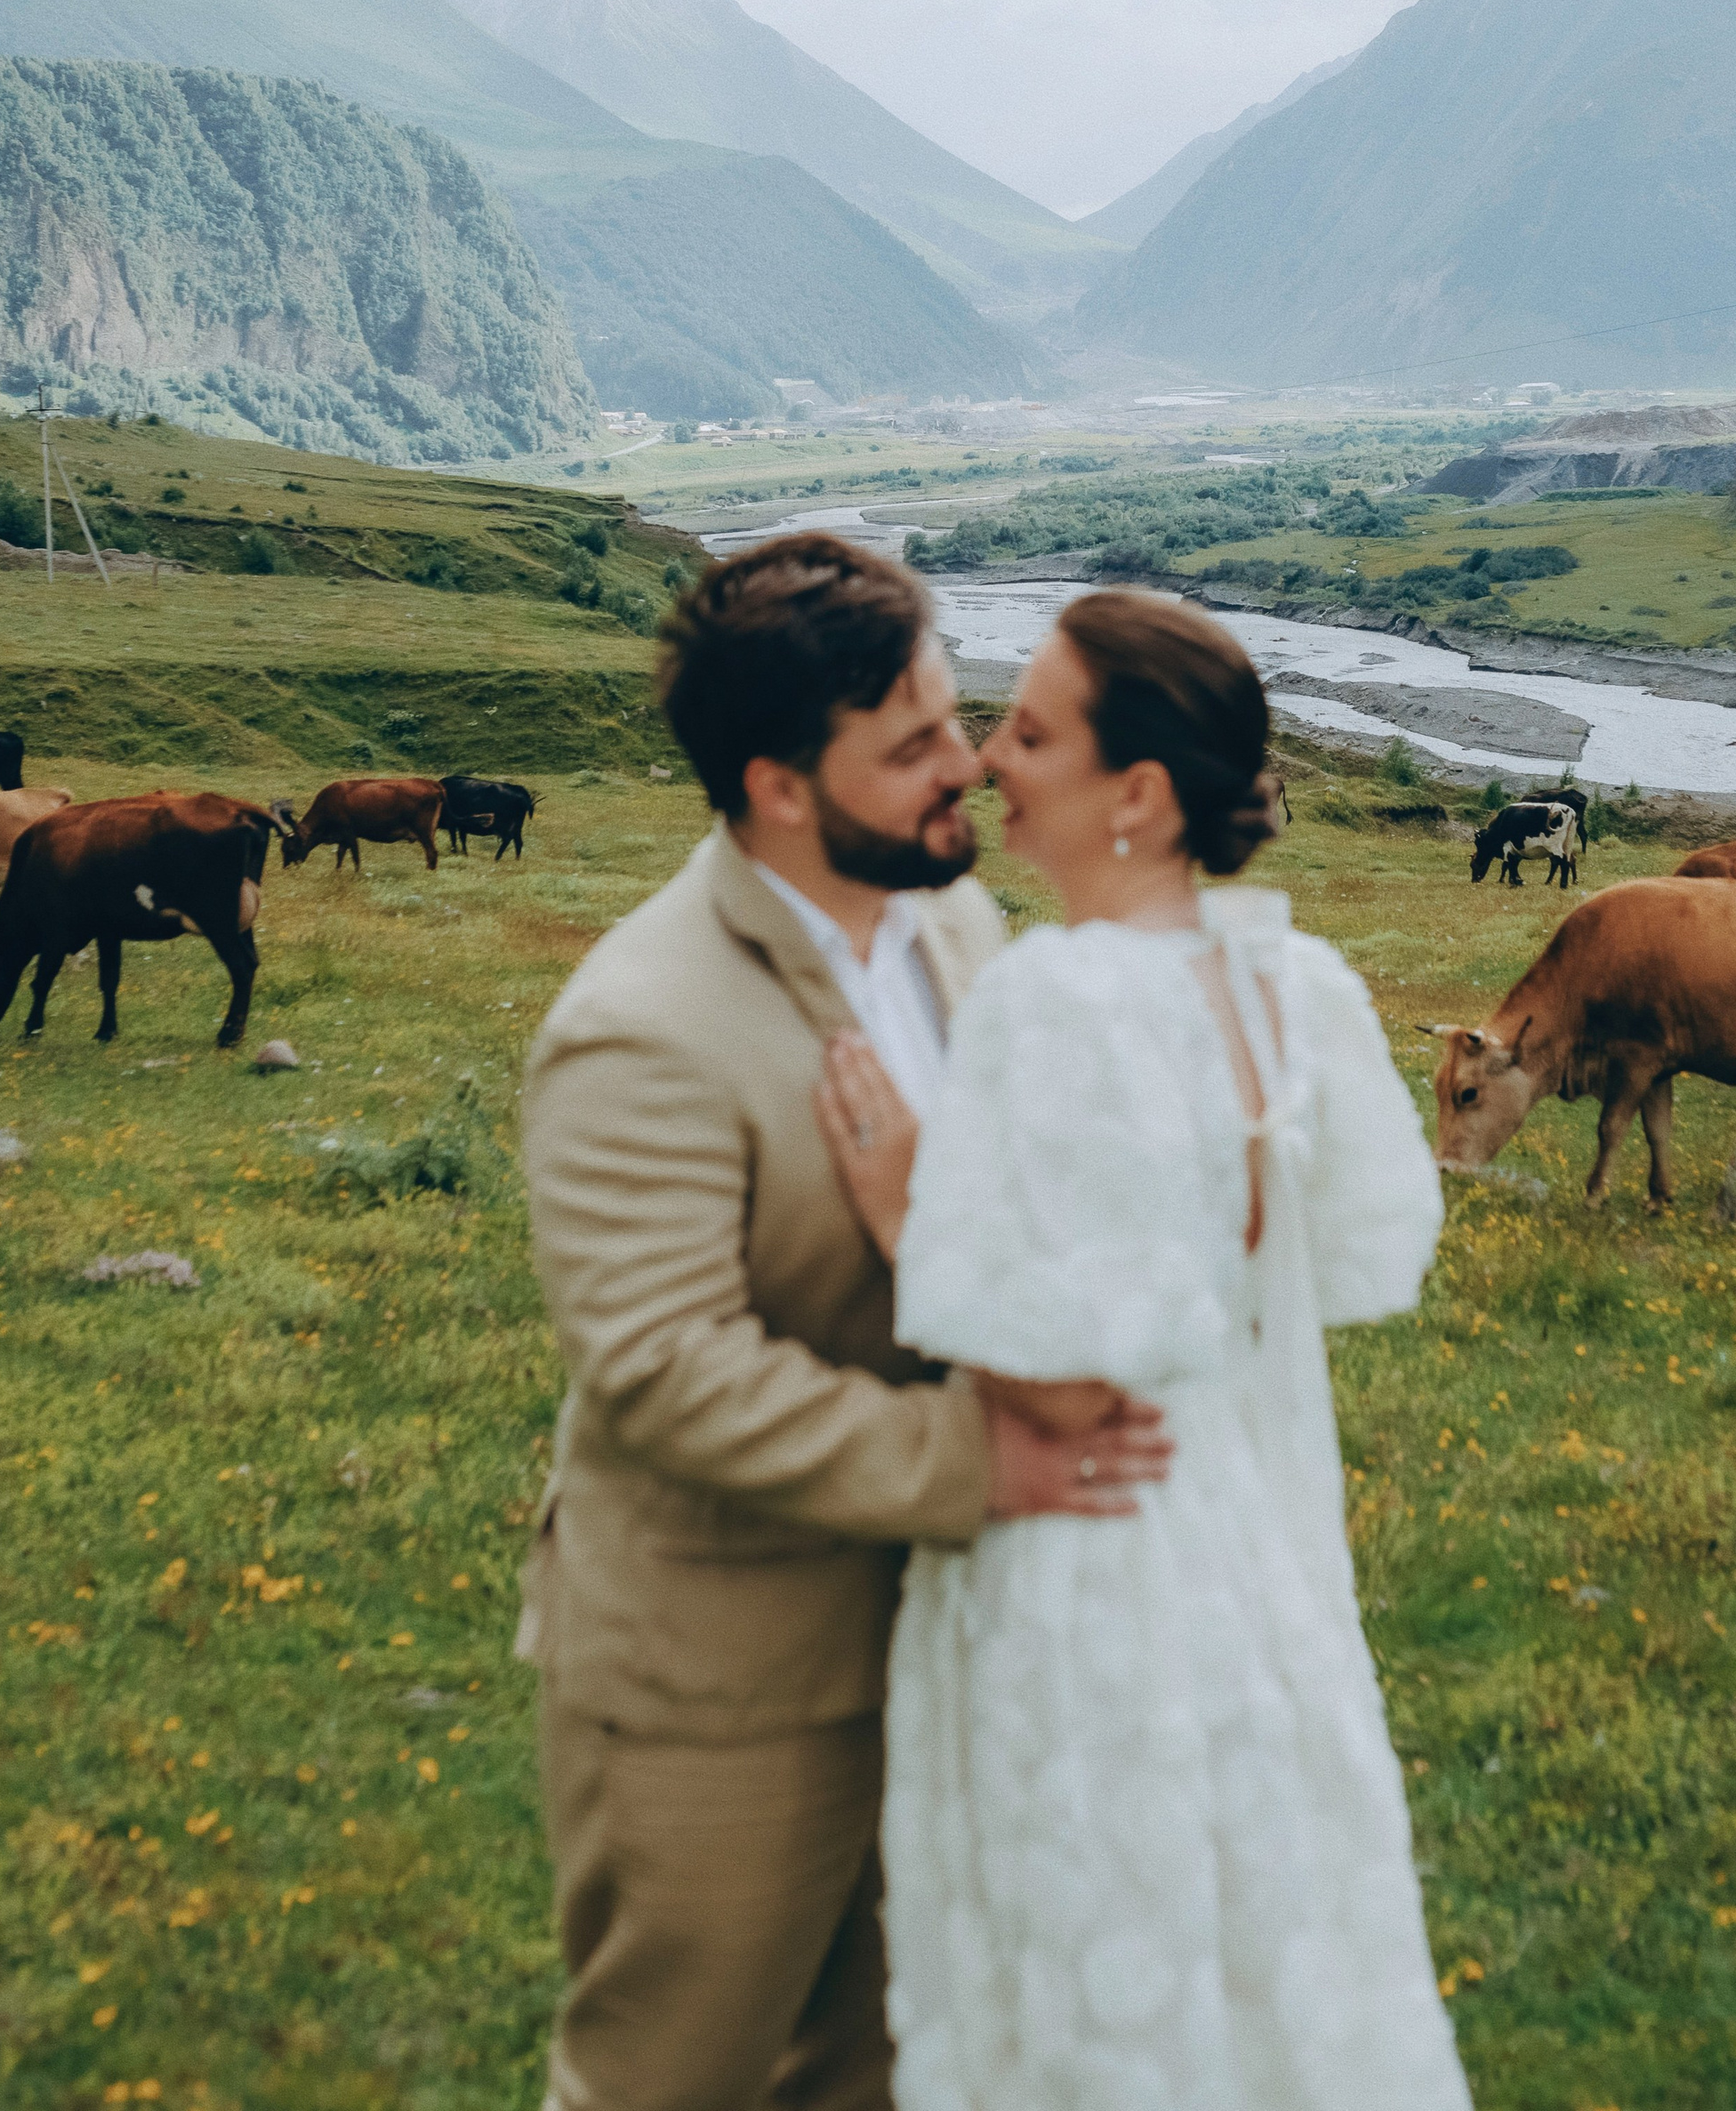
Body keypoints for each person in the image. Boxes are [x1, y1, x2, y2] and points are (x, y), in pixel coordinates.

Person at [518, 535, 1171, 2111]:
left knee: (887, 2069)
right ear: (779, 788)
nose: (970, 764)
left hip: (950, 1644)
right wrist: (980, 1462)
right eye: (912, 745)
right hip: (724, 1686)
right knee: (670, 2080)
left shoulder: (954, 927)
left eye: (954, 717)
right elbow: (668, 1373)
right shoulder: (636, 1032)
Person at [819, 586, 1472, 2111]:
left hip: (1094, 1555)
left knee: (1089, 1980)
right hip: (1245, 1537)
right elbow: (1321, 1263)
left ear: (1142, 797)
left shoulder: (1060, 995)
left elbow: (1069, 1379)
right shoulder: (1287, 983)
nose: (989, 757)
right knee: (1260, 1957)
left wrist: (908, 1211)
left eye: (1035, 734)